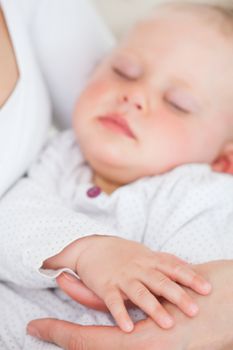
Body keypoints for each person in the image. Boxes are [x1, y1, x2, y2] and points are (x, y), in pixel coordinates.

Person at [0, 0, 233, 349]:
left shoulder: (202, 197)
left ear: (224, 160)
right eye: (123, 71)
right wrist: (86, 250)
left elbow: (190, 305)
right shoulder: (62, 153)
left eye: (178, 103)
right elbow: (8, 223)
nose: (134, 95)